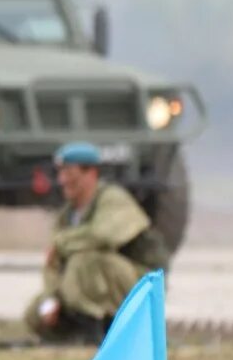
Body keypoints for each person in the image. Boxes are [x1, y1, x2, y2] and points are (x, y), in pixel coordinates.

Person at [25, 142, 165, 343]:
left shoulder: (112, 199)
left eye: (70, 173)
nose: (62, 180)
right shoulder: (67, 216)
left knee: (83, 262)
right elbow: (53, 262)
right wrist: (51, 298)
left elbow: (105, 236)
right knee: (35, 312)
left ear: (91, 173)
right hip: (84, 283)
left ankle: (100, 325)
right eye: (61, 173)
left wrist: (63, 242)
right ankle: (77, 334)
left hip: (137, 282)